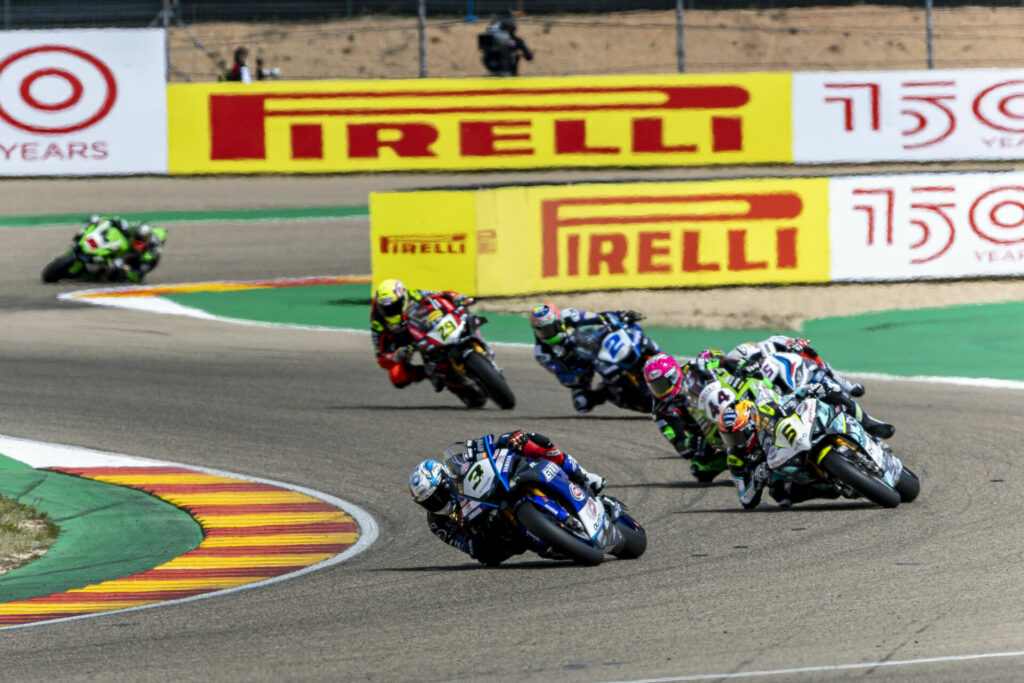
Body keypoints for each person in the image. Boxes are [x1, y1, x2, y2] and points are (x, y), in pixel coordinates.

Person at [409, 430, 606, 566]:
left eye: (437, 497)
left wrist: (506, 440)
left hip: (499, 485)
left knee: (529, 442)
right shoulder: (437, 523)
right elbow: (468, 547)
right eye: (428, 503)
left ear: (445, 482)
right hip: (494, 531)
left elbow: (484, 447)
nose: (436, 504)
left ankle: (584, 476)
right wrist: (477, 535)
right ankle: (550, 537)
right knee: (486, 557)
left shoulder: (457, 463)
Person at [721, 380, 895, 510]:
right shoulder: (736, 457)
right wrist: (757, 478)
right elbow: (746, 499)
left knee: (832, 395)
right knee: (779, 492)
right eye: (730, 437)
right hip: (787, 469)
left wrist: (811, 391)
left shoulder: (767, 409)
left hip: (801, 436)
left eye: (738, 435)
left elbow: (790, 398)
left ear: (752, 422)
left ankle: (868, 426)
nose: (735, 442)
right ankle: (831, 488)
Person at [529, 302, 643, 414]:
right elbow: (561, 374)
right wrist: (577, 376)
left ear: (559, 322)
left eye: (550, 329)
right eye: (542, 331)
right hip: (578, 369)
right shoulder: (542, 353)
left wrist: (618, 315)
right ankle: (607, 392)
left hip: (591, 344)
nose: (547, 334)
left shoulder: (569, 315)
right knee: (582, 404)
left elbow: (596, 317)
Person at [370, 278, 473, 390]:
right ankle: (426, 372)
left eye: (394, 307)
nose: (391, 312)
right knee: (397, 376)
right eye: (387, 310)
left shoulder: (413, 294)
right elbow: (381, 357)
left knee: (444, 307)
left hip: (422, 325)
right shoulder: (377, 320)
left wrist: (457, 297)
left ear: (403, 299)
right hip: (403, 342)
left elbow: (440, 294)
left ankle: (466, 331)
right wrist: (396, 355)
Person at [727, 334, 865, 397]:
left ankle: (843, 384)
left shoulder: (767, 344)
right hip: (787, 398)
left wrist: (797, 344)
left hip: (803, 378)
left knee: (815, 365)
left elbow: (799, 343)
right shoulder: (744, 385)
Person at [78, 215, 165, 283]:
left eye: (140, 241)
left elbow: (138, 277)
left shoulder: (149, 257)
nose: (137, 242)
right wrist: (100, 219)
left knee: (115, 278)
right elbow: (115, 221)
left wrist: (124, 267)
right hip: (129, 247)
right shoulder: (133, 229)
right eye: (136, 239)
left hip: (134, 264)